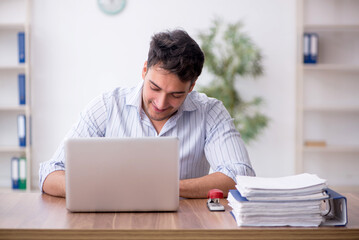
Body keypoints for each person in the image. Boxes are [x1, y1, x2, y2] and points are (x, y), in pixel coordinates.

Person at [39, 29, 255, 198]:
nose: (161, 103)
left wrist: (166, 187)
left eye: (176, 94)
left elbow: (240, 176)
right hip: (114, 224)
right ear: (144, 70)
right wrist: (100, 189)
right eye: (154, 87)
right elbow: (50, 174)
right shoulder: (108, 106)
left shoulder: (210, 112)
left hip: (185, 226)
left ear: (191, 87)